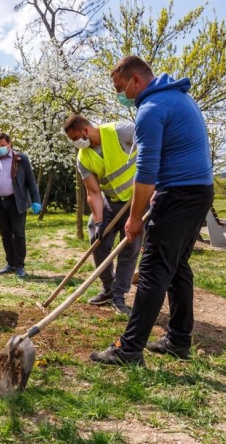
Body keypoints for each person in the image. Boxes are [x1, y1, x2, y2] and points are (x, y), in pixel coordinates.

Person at [90, 56, 214, 366]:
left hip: (180, 195)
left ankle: (129, 349)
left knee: (153, 270)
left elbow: (145, 170)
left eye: (121, 87)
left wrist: (134, 218)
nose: (122, 94)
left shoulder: (151, 109)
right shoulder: (177, 97)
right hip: (199, 191)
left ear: (136, 80)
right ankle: (178, 339)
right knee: (177, 267)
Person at [63, 115, 139, 315]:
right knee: (97, 238)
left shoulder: (121, 131)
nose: (75, 144)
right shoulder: (83, 158)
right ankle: (108, 287)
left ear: (86, 131)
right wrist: (98, 222)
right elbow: (93, 192)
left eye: (75, 138)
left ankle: (119, 295)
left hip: (136, 199)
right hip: (110, 199)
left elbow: (152, 146)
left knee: (130, 245)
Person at [0, 132, 42, 278]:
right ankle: (10, 263)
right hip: (0, 203)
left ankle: (20, 265)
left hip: (16, 202)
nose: (0, 149)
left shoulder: (21, 159)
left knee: (18, 234)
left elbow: (30, 180)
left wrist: (36, 200)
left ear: (9, 144)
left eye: (3, 146)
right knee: (5, 234)